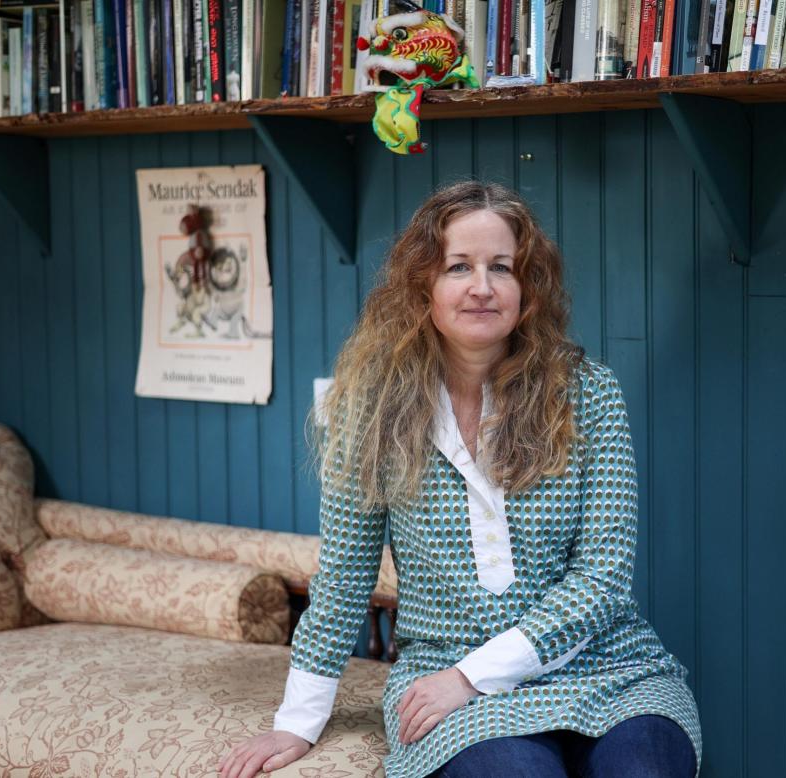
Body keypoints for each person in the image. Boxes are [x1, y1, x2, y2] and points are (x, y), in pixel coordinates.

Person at [219, 181, 702, 778]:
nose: (482, 286)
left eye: (502, 267)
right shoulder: (367, 409)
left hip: (606, 666)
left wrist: (474, 677)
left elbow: (602, 579)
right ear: (423, 286)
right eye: (458, 267)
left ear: (528, 289)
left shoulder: (588, 393)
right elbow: (344, 577)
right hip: (445, 673)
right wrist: (296, 722)